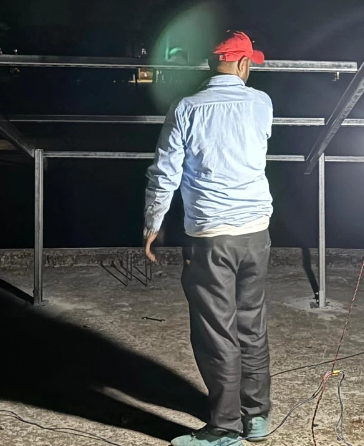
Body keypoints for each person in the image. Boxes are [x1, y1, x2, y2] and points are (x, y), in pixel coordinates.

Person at [144, 31, 273, 446]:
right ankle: (256, 418)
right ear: (242, 64)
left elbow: (165, 172)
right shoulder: (262, 104)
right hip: (257, 232)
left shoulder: (187, 108)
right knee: (252, 325)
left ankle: (224, 427)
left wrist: (152, 225)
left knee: (217, 331)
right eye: (250, 62)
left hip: (211, 235)